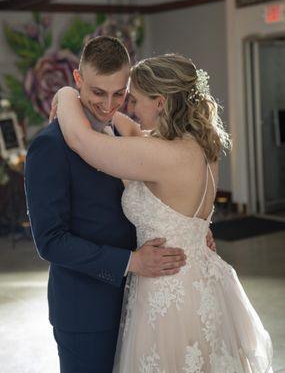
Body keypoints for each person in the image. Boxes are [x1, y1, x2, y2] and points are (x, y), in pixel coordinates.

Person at [55, 53, 273, 372]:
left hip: (170, 293)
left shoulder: (162, 154)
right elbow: (132, 134)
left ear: (159, 102)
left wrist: (65, 95)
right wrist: (108, 113)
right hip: (201, 281)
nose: (130, 107)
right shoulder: (201, 145)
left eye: (136, 99)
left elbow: (80, 140)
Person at [25, 37, 215, 373]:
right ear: (78, 79)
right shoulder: (50, 146)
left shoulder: (130, 137)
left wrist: (190, 231)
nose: (109, 105)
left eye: (120, 94)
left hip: (147, 303)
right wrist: (130, 262)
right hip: (88, 311)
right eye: (98, 92)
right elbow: (50, 240)